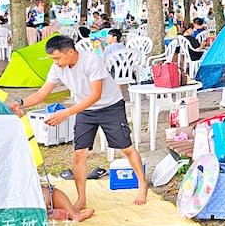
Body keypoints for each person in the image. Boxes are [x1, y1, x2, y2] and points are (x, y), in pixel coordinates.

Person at [8, 35, 147, 207]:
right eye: (53, 59)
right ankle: (81, 198)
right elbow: (42, 93)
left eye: (57, 58)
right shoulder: (57, 68)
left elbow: (95, 95)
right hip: (85, 110)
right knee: (79, 154)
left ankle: (142, 184)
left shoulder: (91, 61)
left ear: (71, 52)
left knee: (126, 148)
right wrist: (21, 103)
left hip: (110, 106)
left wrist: (66, 113)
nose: (55, 62)